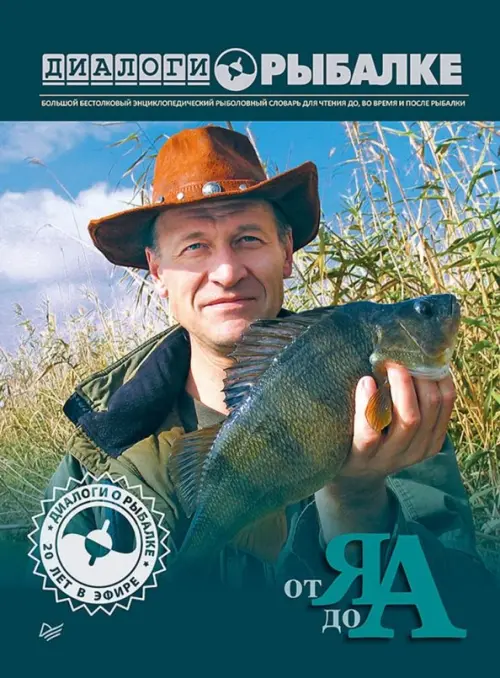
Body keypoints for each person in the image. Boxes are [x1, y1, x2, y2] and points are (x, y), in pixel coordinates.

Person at [43, 125, 495, 609]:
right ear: (158, 271)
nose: (226, 272)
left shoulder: (400, 413)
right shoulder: (99, 452)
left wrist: (357, 502)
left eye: (248, 238)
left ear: (286, 253)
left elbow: (456, 611)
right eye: (194, 246)